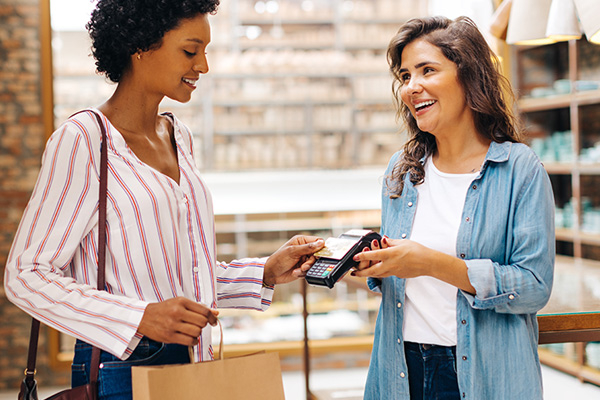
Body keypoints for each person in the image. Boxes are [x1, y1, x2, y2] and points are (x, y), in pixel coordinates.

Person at [4, 1, 324, 399]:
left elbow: (177, 276)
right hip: (122, 367)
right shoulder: (85, 141)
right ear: (141, 46)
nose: (202, 66)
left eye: (205, 52)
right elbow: (26, 275)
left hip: (195, 357)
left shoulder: (179, 137)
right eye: (190, 51)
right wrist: (140, 317)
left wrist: (265, 272)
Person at [352, 16, 555, 400]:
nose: (412, 87)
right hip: (400, 369)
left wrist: (430, 263)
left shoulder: (519, 169)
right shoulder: (402, 170)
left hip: (483, 375)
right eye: (405, 75)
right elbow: (400, 281)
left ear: (469, 76)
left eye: (427, 70)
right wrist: (366, 264)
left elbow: (534, 286)